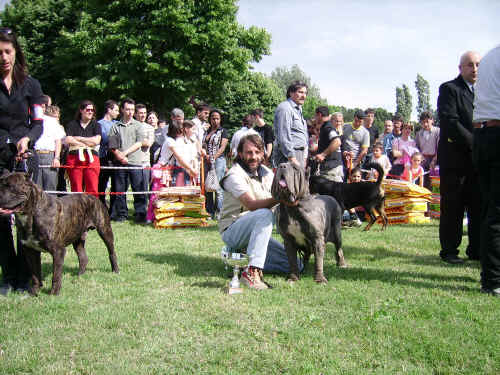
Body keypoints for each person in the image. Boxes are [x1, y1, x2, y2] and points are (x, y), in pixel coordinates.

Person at [219, 133, 302, 290]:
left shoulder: (266, 172)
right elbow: (251, 204)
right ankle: (251, 272)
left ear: (263, 153)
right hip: (233, 230)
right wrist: (281, 198)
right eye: (249, 152)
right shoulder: (234, 175)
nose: (253, 157)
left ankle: (243, 260)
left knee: (295, 264)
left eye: (257, 152)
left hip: (257, 233)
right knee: (264, 214)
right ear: (241, 153)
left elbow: (284, 193)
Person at [0, 27, 45, 295]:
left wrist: (27, 138)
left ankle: (28, 275)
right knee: (1, 221)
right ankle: (9, 275)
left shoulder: (31, 85)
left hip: (25, 159)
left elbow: (38, 124)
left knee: (26, 220)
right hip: (0, 159)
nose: (3, 57)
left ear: (16, 52)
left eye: (7, 51)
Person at [437, 50, 482, 264]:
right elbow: (450, 122)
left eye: (478, 65)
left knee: (478, 205)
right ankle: (449, 251)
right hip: (455, 161)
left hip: (478, 162)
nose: (475, 69)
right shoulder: (449, 89)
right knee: (453, 207)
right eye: (470, 65)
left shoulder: (484, 92)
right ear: (460, 68)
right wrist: (477, 143)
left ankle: (477, 249)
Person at [472, 45, 500, 296]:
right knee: (497, 212)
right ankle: (492, 279)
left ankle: (490, 274)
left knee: (490, 209)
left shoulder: (490, 56)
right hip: (496, 133)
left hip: (482, 135)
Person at [108, 98, 150, 223]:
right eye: (127, 109)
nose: (130, 112)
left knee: (138, 189)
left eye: (132, 109)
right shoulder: (115, 126)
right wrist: (120, 157)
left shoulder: (138, 125)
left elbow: (139, 143)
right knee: (120, 190)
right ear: (122, 110)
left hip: (135, 162)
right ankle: (121, 214)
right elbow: (112, 145)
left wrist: (124, 154)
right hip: (119, 163)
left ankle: (140, 213)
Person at [64, 100, 102, 196]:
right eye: (88, 109)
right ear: (81, 110)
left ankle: (91, 210)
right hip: (74, 158)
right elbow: (68, 139)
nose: (90, 112)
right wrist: (87, 142)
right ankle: (77, 210)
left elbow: (96, 141)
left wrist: (78, 138)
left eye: (92, 110)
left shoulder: (96, 125)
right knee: (76, 187)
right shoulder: (72, 124)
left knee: (92, 187)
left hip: (91, 158)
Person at [273, 80, 308, 169]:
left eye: (305, 93)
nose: (304, 96)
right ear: (291, 93)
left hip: (298, 154)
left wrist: (303, 156)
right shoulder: (285, 108)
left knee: (297, 183)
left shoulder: (298, 109)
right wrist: (291, 157)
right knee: (288, 182)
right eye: (300, 92)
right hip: (287, 157)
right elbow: (283, 135)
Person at [203, 109, 228, 218]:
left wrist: (214, 157)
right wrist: (206, 156)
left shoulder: (223, 131)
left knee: (217, 186)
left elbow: (223, 147)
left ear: (220, 119)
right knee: (208, 186)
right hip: (207, 160)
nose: (215, 120)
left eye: (217, 118)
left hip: (219, 160)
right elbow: (203, 144)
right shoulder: (206, 131)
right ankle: (210, 211)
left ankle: (220, 211)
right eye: (213, 118)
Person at [34, 105, 65, 192]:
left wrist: (56, 158)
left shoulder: (53, 121)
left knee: (50, 187)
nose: (41, 109)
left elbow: (58, 141)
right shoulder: (31, 121)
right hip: (35, 154)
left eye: (43, 106)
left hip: (49, 155)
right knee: (36, 188)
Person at [97, 99, 119, 208]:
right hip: (103, 157)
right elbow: (104, 139)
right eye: (116, 110)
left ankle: (113, 208)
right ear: (109, 110)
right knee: (102, 183)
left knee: (115, 184)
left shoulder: (117, 123)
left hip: (116, 158)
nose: (118, 113)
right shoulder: (99, 124)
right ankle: (101, 205)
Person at [313, 106, 343, 182]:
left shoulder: (328, 127)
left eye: (315, 116)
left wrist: (323, 154)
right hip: (331, 166)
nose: (314, 118)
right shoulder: (325, 127)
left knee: (331, 193)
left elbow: (337, 141)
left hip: (331, 168)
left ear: (319, 115)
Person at [415, 111, 440, 189]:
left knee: (433, 182)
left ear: (432, 120)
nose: (425, 124)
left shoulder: (437, 131)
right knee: (421, 181)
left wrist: (434, 160)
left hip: (434, 159)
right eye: (423, 122)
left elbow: (440, 147)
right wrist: (420, 157)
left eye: (427, 122)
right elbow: (417, 147)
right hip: (422, 160)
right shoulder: (419, 133)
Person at [342, 110, 369, 174]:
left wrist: (355, 163)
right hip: (342, 159)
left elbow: (364, 150)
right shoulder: (345, 126)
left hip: (355, 161)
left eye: (360, 122)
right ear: (354, 118)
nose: (357, 123)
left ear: (363, 121)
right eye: (356, 121)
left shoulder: (365, 132)